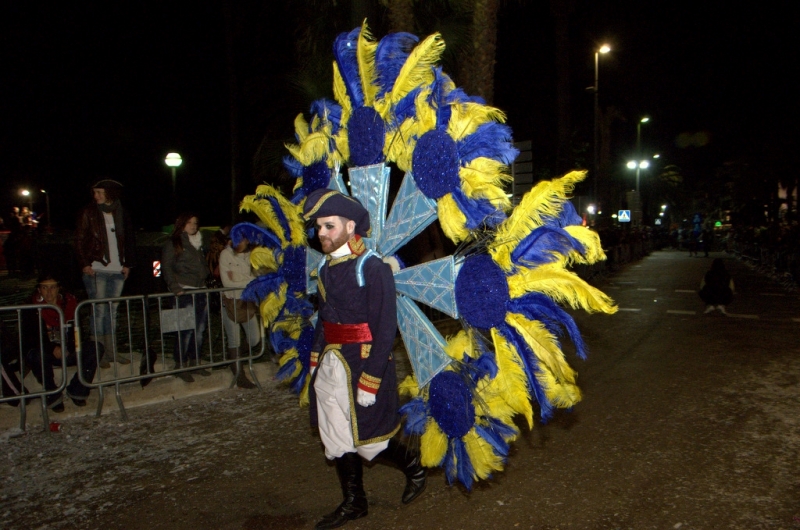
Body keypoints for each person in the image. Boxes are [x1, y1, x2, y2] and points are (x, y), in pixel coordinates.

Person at [303, 189, 426, 530]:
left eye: (329, 226)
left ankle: (413, 465)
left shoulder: (373, 269)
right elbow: (325, 320)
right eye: (318, 227)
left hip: (363, 362)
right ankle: (355, 502)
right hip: (331, 363)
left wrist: (370, 379)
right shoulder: (325, 270)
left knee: (369, 439)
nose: (321, 234)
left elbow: (385, 327)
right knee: (336, 434)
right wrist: (314, 362)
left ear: (350, 225)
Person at [75, 179, 136, 367]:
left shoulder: (121, 212)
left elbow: (130, 239)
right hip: (97, 268)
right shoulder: (89, 212)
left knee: (112, 311)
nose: (96, 196)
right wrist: (85, 264)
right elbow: (79, 239)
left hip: (117, 269)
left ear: (110, 193)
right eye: (94, 192)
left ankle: (111, 351)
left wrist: (128, 264)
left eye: (100, 192)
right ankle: (97, 353)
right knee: (99, 310)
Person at [22, 272, 100, 412]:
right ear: (39, 290)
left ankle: (78, 389)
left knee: (95, 348)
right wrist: (51, 348)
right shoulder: (31, 308)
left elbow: (78, 330)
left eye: (52, 287)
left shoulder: (70, 303)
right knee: (36, 355)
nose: (49, 292)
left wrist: (70, 346)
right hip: (45, 351)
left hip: (67, 348)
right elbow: (31, 337)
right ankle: (52, 394)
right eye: (45, 288)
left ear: (58, 288)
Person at [161, 212, 211, 383]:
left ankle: (195, 361)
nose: (193, 226)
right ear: (181, 224)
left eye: (195, 223)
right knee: (185, 330)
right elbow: (166, 266)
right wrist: (175, 287)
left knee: (199, 330)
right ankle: (181, 364)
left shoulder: (198, 243)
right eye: (189, 222)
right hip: (184, 290)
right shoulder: (174, 243)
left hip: (199, 290)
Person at [219, 237, 259, 389]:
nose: (240, 243)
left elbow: (258, 276)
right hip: (230, 301)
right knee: (234, 340)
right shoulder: (225, 254)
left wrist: (240, 278)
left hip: (246, 301)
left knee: (254, 339)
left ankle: (235, 359)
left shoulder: (250, 256)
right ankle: (239, 376)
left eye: (243, 239)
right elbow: (227, 283)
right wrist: (249, 280)